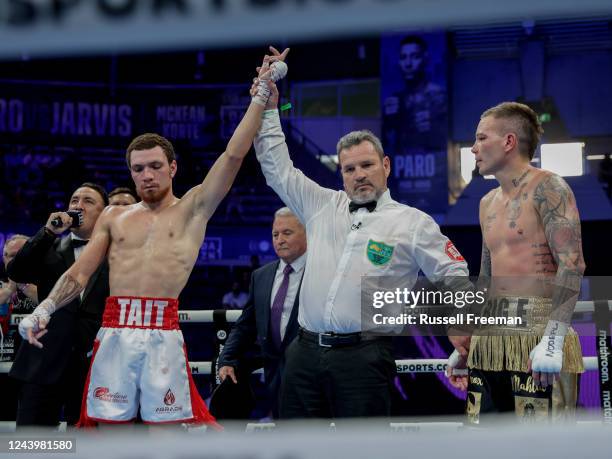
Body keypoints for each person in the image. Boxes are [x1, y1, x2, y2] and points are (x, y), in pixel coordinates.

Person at [17, 48, 289, 427]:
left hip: (163, 333)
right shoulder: (114, 215)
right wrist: (44, 309)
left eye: (155, 167)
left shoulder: (194, 207)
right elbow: (79, 273)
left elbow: (232, 154)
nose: (147, 175)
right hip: (114, 332)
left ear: (173, 168)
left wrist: (261, 95)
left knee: (166, 436)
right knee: (109, 432)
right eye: (138, 169)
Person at [251, 48, 469, 419]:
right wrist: (270, 110)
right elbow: (276, 167)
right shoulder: (321, 204)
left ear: (385, 165)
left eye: (367, 165)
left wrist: (460, 330)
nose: (359, 174)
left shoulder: (412, 222)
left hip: (366, 355)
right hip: (303, 352)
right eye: (350, 168)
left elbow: (454, 274)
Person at [447, 101, 585, 423]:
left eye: (481, 138)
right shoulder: (486, 203)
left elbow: (572, 264)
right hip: (490, 341)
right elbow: (486, 276)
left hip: (538, 332)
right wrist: (467, 340)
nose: (473, 148)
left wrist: (553, 337)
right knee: (484, 444)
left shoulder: (549, 187)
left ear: (509, 141)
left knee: (540, 448)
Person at [7, 183, 110, 427]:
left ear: (105, 212)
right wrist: (48, 232)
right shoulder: (48, 246)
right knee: (33, 443)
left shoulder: (117, 253)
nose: (78, 206)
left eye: (88, 201)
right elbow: (16, 271)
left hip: (94, 364)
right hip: (44, 359)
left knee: (87, 446)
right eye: (74, 200)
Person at [218, 207, 307, 417]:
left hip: (313, 374)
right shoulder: (262, 276)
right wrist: (227, 359)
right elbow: (246, 324)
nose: (279, 240)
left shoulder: (321, 270)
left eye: (287, 233)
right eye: (275, 235)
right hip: (275, 375)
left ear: (307, 234)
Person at [383, 35, 447, 152]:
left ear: (425, 59)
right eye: (403, 57)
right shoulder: (394, 101)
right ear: (399, 62)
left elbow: (447, 141)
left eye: (415, 57)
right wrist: (388, 124)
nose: (408, 64)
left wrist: (434, 129)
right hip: (401, 167)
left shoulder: (439, 97)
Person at [0, 235, 38, 421]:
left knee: (31, 422)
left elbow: (54, 301)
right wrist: (8, 290)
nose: (9, 260)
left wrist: (22, 286)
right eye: (6, 255)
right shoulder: (1, 283)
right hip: (3, 363)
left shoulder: (47, 278)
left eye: (15, 255)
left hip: (36, 365)